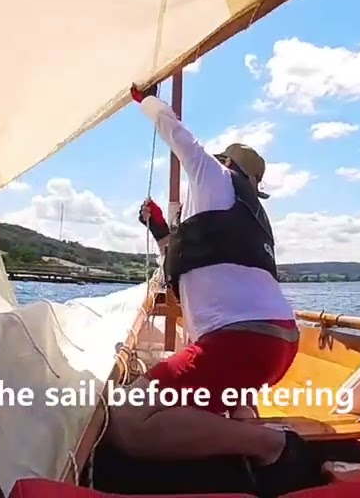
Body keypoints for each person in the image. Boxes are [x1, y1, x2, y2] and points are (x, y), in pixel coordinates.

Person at [103, 80, 321, 497]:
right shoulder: (245, 215)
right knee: (222, 398)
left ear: (227, 163)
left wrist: (146, 101)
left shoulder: (215, 176)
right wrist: (162, 233)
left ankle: (274, 446)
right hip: (278, 342)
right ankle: (253, 464)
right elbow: (197, 269)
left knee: (127, 417)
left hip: (242, 341)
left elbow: (179, 136)